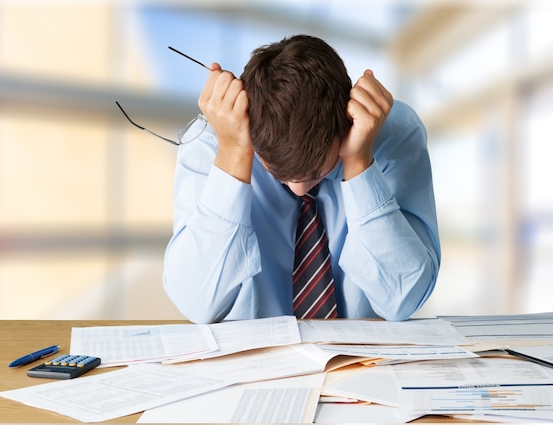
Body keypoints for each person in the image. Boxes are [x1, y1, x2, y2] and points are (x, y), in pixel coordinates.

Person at [163, 35, 440, 324]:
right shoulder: (210, 143)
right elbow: (196, 304)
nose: (299, 188)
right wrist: (233, 155)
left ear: (346, 124)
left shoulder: (393, 133)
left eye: (317, 173)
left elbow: (405, 299)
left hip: (363, 362)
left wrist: (359, 161)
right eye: (278, 172)